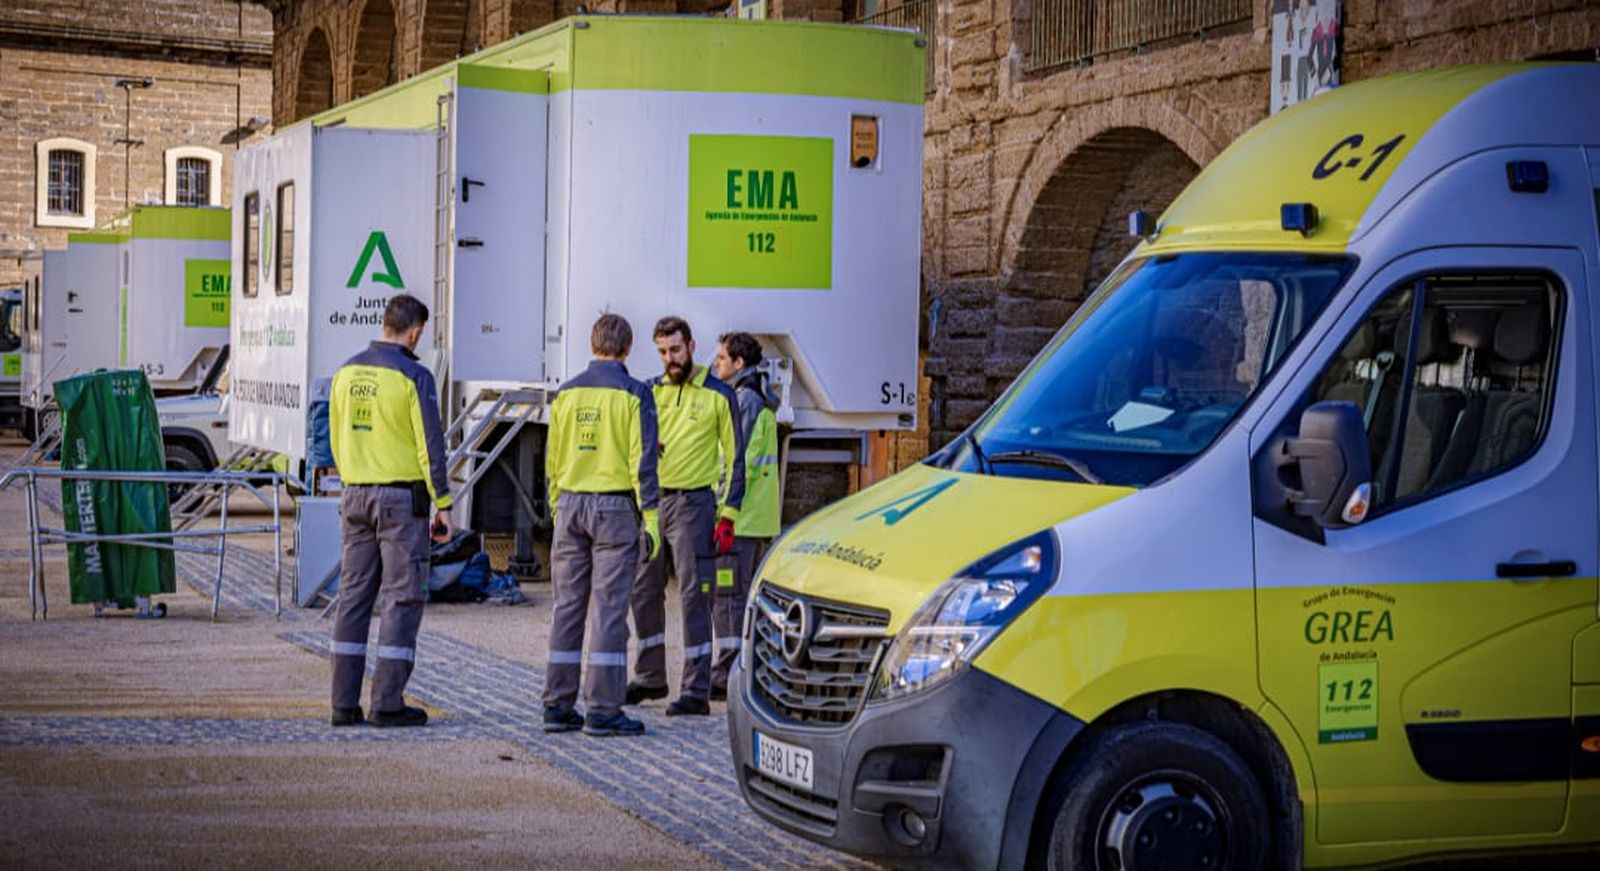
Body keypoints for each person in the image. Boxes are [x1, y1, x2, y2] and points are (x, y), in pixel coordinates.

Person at [327, 294, 452, 729]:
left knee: (354, 599)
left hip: (354, 495)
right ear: (415, 331)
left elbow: (336, 438)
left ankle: (343, 705)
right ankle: (387, 703)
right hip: (402, 502)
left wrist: (354, 478)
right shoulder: (415, 376)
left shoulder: (345, 372)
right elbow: (430, 445)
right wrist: (445, 502)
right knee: (401, 598)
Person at [543, 313, 661, 737]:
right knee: (609, 610)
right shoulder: (635, 393)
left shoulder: (566, 394)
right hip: (614, 510)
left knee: (567, 608)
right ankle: (603, 710)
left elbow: (552, 458)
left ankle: (556, 706)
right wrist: (651, 520)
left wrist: (559, 505)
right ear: (627, 348)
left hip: (570, 505)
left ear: (592, 345)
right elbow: (642, 461)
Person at [627, 316, 744, 716]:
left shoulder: (718, 394)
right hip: (652, 503)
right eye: (662, 352)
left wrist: (728, 514)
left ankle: (695, 690)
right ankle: (650, 677)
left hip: (695, 506)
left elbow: (735, 458)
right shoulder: (649, 391)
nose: (669, 359)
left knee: (695, 597)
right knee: (642, 590)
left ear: (692, 346)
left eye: (675, 350)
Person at [709, 332, 781, 698]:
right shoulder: (754, 397)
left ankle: (727, 676)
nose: (714, 363)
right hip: (753, 518)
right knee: (739, 597)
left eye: (721, 358)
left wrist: (723, 510)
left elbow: (741, 464)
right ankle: (740, 670)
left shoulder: (745, 401)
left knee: (728, 597)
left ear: (739, 364)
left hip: (740, 519)